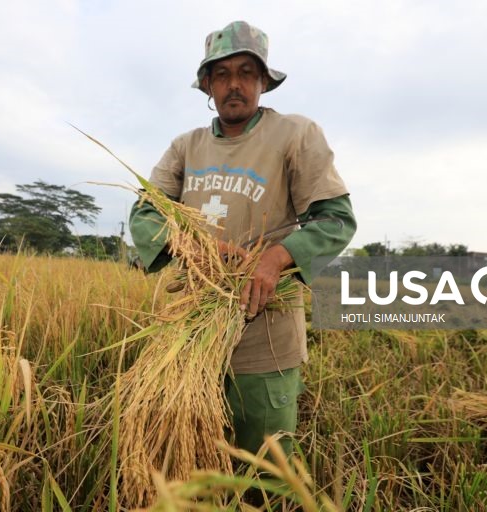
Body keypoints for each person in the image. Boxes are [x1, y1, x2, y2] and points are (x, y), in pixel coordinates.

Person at [129, 20, 356, 461]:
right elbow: (146, 212)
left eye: (246, 73)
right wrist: (193, 248)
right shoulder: (186, 147)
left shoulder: (295, 135)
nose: (234, 84)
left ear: (263, 82)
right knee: (191, 462)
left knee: (265, 471)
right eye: (222, 74)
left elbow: (335, 220)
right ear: (207, 85)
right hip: (192, 333)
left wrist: (276, 257)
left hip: (265, 337)